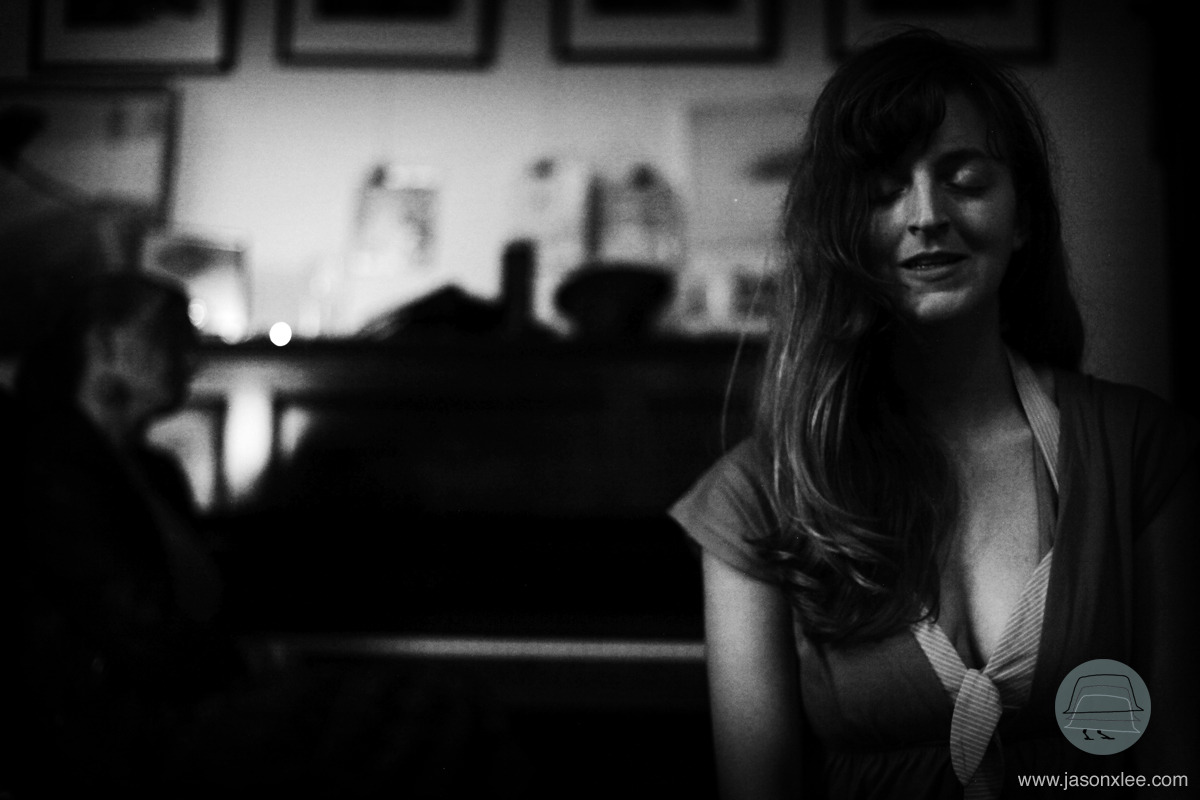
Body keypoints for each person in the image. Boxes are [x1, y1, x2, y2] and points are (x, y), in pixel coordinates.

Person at [670, 29, 1199, 799]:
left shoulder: (1142, 449)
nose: (926, 214)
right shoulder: (756, 495)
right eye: (886, 190)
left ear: (1022, 217)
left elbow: (1175, 765)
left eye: (966, 180)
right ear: (843, 230)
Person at [9, 272, 526, 798]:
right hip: (130, 730)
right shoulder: (51, 466)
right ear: (104, 344)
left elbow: (213, 593)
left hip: (194, 689)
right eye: (169, 337)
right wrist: (246, 662)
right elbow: (138, 631)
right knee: (435, 711)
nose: (191, 360)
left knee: (448, 709)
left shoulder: (155, 469)